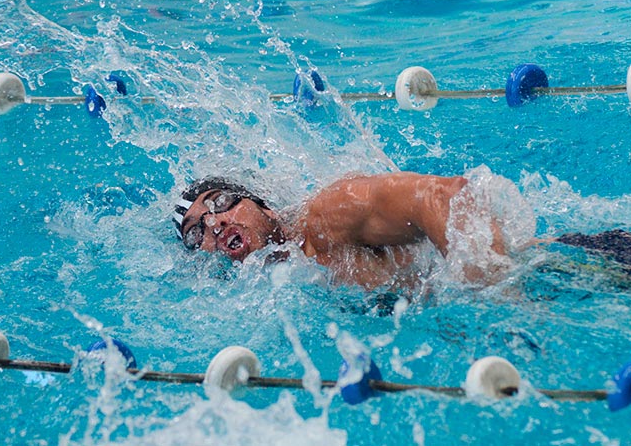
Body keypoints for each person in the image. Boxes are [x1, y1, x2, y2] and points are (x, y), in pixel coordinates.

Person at [172, 173, 629, 291]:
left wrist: (497, 290)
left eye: (220, 203)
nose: (215, 224)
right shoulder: (289, 272)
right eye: (198, 233)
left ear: (260, 201)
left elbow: (446, 196)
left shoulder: (326, 217)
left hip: (572, 271)